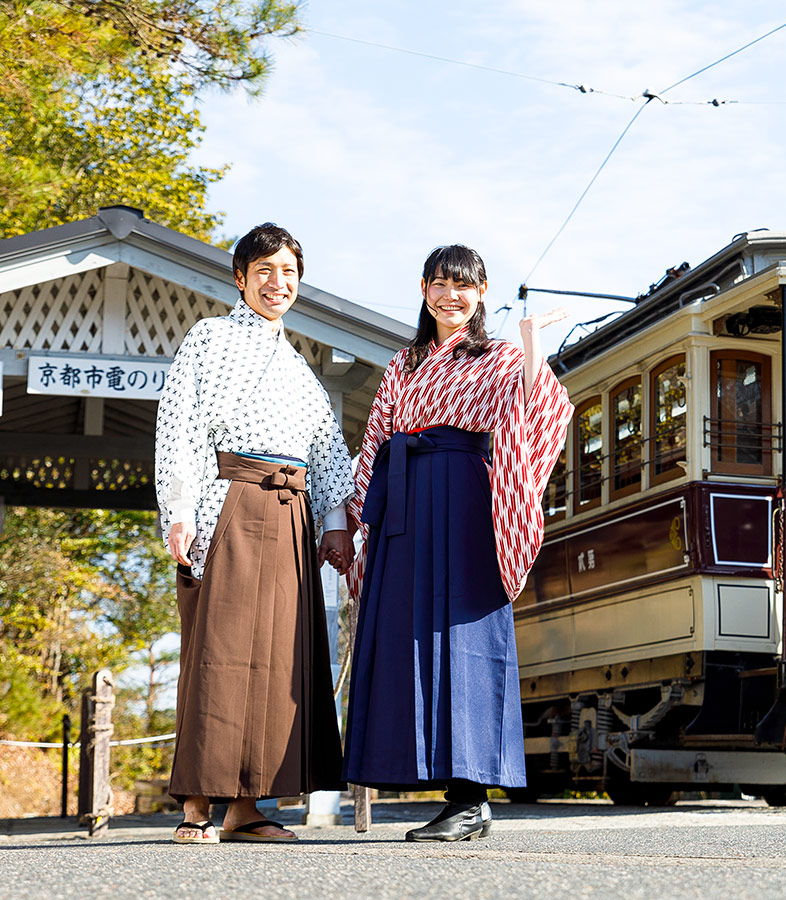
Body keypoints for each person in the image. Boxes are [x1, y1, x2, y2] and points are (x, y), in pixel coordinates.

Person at [341, 244, 572, 842]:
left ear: (482, 292)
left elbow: (540, 409)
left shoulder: (500, 356)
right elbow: (375, 438)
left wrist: (530, 347)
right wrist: (354, 515)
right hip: (406, 503)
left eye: (464, 287)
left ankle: (470, 797)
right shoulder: (404, 363)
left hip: (468, 501)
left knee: (464, 638)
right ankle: (438, 786)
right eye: (441, 285)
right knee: (405, 639)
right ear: (424, 290)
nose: (452, 297)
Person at [154, 223, 355, 844]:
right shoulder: (208, 339)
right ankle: (197, 805)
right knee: (218, 653)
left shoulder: (300, 367)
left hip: (290, 519)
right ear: (240, 279)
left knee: (278, 663)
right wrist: (180, 509)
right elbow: (179, 424)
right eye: (265, 270)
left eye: (289, 272)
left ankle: (248, 807)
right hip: (229, 501)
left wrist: (335, 523)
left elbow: (328, 451)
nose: (278, 283)